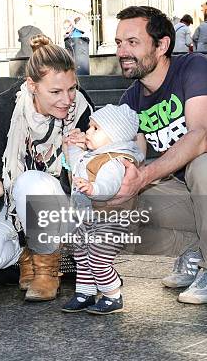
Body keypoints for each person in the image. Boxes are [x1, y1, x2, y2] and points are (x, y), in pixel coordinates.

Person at [113, 6, 207, 304]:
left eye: (132, 42)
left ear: (162, 45)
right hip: (190, 195)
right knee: (125, 195)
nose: (122, 51)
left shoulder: (194, 68)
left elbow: (199, 137)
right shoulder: (131, 99)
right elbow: (135, 156)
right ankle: (193, 249)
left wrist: (144, 175)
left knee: (201, 164)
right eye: (118, 43)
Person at [0, 34, 95, 302]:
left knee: (33, 181)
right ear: (32, 85)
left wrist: (79, 152)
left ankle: (46, 269)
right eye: (55, 92)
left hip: (65, 208)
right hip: (11, 208)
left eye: (71, 88)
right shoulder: (3, 108)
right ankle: (27, 254)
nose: (67, 99)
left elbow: (94, 173)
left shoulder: (82, 108)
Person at [60, 104, 144, 315]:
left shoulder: (115, 160)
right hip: (89, 220)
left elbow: (109, 187)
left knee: (98, 257)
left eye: (95, 128)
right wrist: (71, 146)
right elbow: (76, 162)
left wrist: (93, 189)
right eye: (90, 127)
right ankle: (85, 292)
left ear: (114, 137)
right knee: (81, 253)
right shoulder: (96, 154)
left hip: (111, 222)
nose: (88, 131)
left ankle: (113, 295)